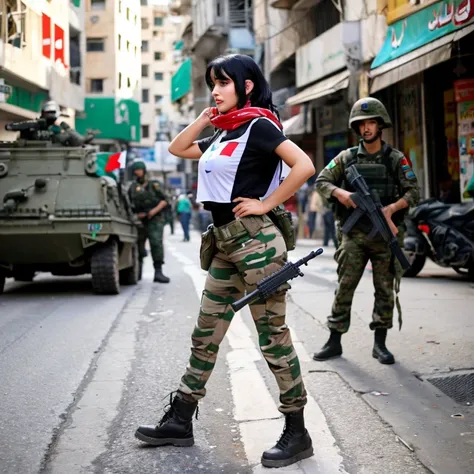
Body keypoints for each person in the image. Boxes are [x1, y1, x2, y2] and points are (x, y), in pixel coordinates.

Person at [135, 54, 316, 468]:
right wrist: (205, 118)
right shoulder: (223, 132)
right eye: (212, 83)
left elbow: (304, 164)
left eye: (223, 83)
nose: (215, 90)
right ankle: (180, 420)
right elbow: (177, 147)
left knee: (272, 337)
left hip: (257, 245)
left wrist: (267, 203)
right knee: (206, 331)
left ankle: (297, 431)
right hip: (223, 244)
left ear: (246, 86)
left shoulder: (261, 125)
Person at [313, 97, 419, 365]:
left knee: (384, 289)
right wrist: (342, 193)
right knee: (345, 286)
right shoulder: (346, 158)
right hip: (354, 235)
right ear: (357, 128)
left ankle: (380, 344)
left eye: (371, 122)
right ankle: (334, 340)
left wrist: (392, 208)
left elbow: (413, 191)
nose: (367, 128)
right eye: (362, 124)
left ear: (380, 124)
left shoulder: (395, 159)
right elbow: (322, 181)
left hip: (384, 234)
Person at [128, 160, 170, 283]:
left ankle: (158, 271)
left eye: (139, 170)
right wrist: (136, 214)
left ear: (144, 170)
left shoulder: (154, 185)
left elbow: (165, 200)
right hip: (140, 220)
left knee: (156, 243)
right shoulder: (132, 187)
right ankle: (138, 271)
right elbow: (129, 204)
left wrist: (153, 211)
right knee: (139, 245)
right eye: (135, 171)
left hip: (155, 218)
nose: (137, 173)